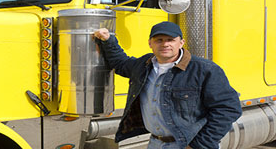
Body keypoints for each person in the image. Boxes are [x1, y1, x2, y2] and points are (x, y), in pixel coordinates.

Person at [94, 21, 242, 149]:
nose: (165, 44)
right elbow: (121, 62)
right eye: (159, 40)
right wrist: (108, 41)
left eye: (170, 40)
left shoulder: (205, 69)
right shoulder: (143, 65)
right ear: (150, 43)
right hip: (155, 143)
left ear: (181, 42)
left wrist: (199, 145)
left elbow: (228, 109)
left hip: (189, 144)